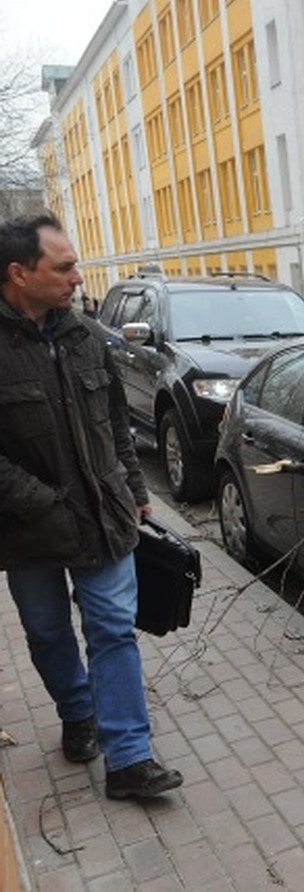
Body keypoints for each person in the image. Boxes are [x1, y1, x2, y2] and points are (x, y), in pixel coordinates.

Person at [0, 213, 182, 800]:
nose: (79, 277)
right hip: (28, 527)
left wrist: (134, 488)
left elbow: (117, 427)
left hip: (104, 515)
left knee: (112, 630)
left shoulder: (84, 336)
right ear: (18, 274)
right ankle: (78, 713)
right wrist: (46, 503)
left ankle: (129, 757)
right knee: (48, 633)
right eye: (64, 267)